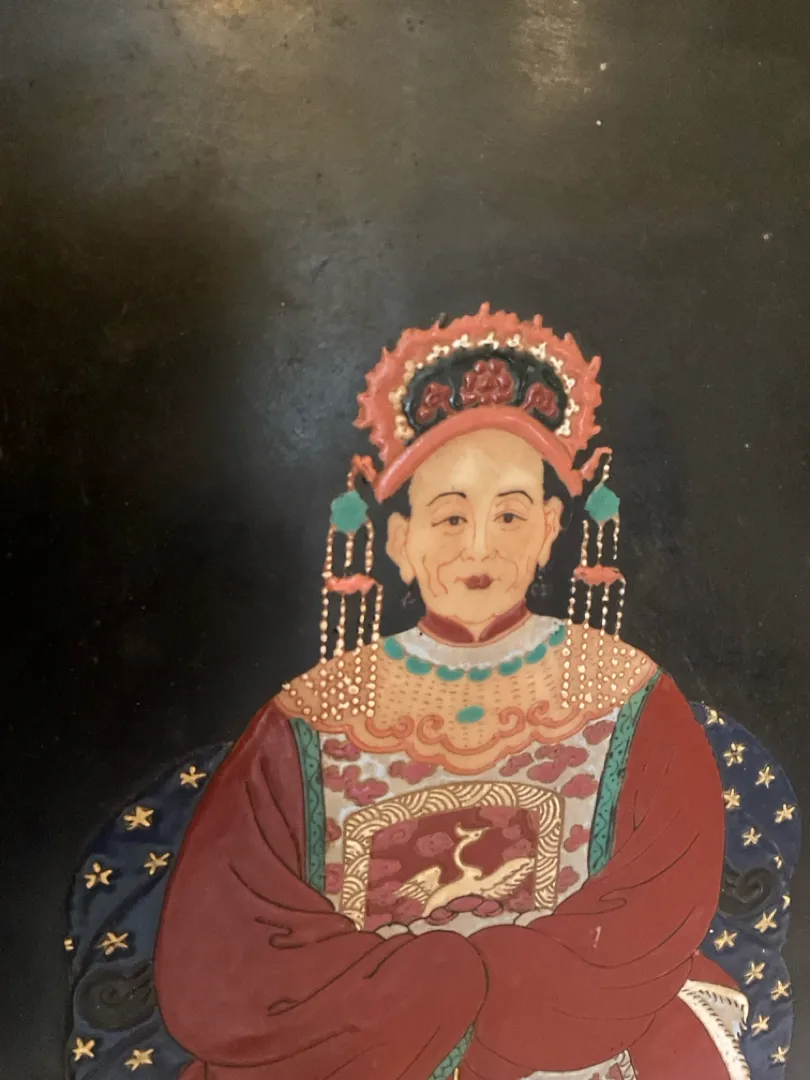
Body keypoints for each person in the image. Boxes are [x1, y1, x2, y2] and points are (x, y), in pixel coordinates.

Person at [154, 306, 752, 1080]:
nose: (479, 546)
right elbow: (229, 938)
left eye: (509, 515)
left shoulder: (626, 692)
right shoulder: (309, 713)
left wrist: (496, 1002)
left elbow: (658, 900)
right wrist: (430, 988)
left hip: (575, 1033)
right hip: (363, 1042)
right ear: (398, 541)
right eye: (449, 517)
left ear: (549, 530)